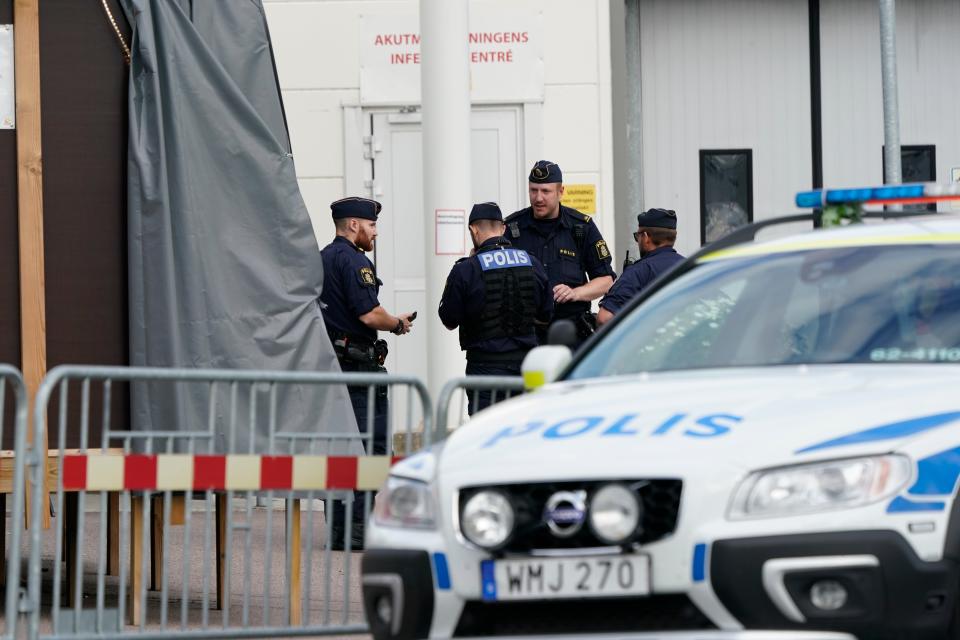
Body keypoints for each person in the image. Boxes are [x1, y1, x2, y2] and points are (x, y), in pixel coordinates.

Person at [319, 196, 415, 550]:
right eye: (372, 225)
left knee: (339, 449)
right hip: (358, 370)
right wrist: (396, 324)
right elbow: (369, 314)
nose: (375, 233)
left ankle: (340, 529)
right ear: (355, 225)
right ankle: (357, 531)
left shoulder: (323, 258)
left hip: (334, 367)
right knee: (367, 449)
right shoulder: (354, 261)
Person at [439, 202, 553, 415]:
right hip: (526, 368)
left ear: (473, 230)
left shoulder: (466, 270)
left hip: (485, 370)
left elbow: (448, 320)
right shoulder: (532, 263)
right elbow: (546, 315)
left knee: (486, 435)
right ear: (502, 228)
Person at [505, 160, 615, 345]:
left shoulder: (581, 228)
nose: (538, 198)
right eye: (533, 190)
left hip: (570, 334)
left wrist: (575, 293)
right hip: (523, 336)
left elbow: (606, 280)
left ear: (560, 192)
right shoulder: (512, 228)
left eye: (545, 191)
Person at [597, 207, 686, 326]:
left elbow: (604, 318)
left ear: (646, 237)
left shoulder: (639, 271)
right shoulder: (691, 268)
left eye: (637, 236)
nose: (638, 241)